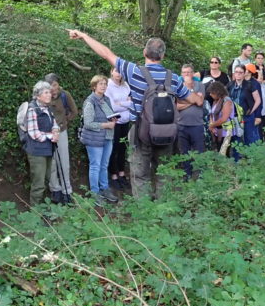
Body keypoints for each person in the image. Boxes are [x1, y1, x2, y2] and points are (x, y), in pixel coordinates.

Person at [67, 29, 199, 199]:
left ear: (144, 52)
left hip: (141, 133)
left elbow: (106, 54)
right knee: (164, 174)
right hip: (167, 133)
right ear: (163, 56)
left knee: (140, 175)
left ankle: (144, 213)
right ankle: (162, 211)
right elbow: (193, 99)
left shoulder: (135, 72)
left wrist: (84, 36)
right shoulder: (173, 78)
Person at [80, 75, 120, 206]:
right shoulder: (90, 101)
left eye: (105, 84)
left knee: (104, 165)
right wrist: (105, 125)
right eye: (100, 84)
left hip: (108, 137)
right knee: (95, 166)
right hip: (94, 139)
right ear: (94, 86)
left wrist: (113, 119)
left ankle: (104, 188)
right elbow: (88, 123)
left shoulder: (106, 99)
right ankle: (94, 193)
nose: (103, 86)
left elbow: (108, 115)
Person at [23, 81, 60, 206]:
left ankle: (43, 208)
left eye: (49, 92)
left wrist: (56, 131)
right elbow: (34, 134)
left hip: (47, 149)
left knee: (46, 179)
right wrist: (51, 136)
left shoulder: (47, 108)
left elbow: (54, 124)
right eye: (46, 93)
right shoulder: (33, 109)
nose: (49, 94)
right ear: (38, 96)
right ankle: (35, 213)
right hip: (36, 151)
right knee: (38, 183)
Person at [43, 73, 78, 204]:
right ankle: (55, 190)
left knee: (64, 162)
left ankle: (67, 191)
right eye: (50, 86)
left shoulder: (64, 95)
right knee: (51, 163)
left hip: (61, 132)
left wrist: (64, 121)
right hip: (47, 134)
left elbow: (74, 111)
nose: (53, 88)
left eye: (55, 85)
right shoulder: (43, 95)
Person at [176, 64, 207, 177]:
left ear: (193, 73)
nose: (186, 74)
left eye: (189, 72)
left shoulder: (200, 85)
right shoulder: (178, 87)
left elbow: (200, 102)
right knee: (184, 152)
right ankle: (187, 175)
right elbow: (176, 106)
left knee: (199, 152)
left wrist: (189, 90)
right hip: (182, 124)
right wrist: (192, 100)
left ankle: (199, 175)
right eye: (184, 72)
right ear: (181, 74)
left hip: (197, 125)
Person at [105, 66, 133, 191]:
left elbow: (133, 104)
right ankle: (113, 175)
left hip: (126, 121)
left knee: (123, 148)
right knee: (114, 148)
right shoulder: (108, 86)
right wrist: (125, 103)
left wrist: (121, 103)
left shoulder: (126, 86)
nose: (118, 74)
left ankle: (122, 173)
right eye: (116, 71)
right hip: (114, 122)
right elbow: (112, 107)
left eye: (120, 72)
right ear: (111, 72)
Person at [205, 82, 237, 155]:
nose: (210, 95)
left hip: (226, 132)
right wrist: (212, 123)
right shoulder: (216, 100)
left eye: (212, 93)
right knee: (218, 151)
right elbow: (212, 114)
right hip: (217, 131)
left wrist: (212, 125)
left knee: (224, 153)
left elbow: (224, 118)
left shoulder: (227, 101)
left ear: (217, 92)